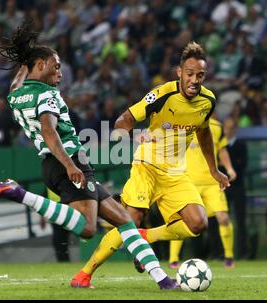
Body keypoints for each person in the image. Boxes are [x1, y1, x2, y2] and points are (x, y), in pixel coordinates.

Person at [0, 21, 176, 290]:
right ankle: (20, 194)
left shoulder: (16, 94)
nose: (60, 73)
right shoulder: (47, 95)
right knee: (88, 229)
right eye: (56, 66)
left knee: (124, 220)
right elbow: (49, 131)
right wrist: (70, 166)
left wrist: (25, 61)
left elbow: (19, 81)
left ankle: (163, 280)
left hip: (52, 164)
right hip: (68, 161)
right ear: (40, 65)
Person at [72, 42, 230, 286]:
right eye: (190, 74)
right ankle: (84, 274)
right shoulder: (162, 94)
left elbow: (204, 132)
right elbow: (123, 121)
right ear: (179, 73)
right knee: (128, 222)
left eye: (200, 75)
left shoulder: (208, 101)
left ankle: (146, 236)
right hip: (146, 166)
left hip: (175, 173)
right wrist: (135, 136)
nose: (194, 80)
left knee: (198, 223)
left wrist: (214, 169)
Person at [168, 116, 237, 269]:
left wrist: (230, 168)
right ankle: (173, 259)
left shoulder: (216, 127)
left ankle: (229, 256)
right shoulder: (182, 123)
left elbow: (222, 150)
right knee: (181, 219)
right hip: (188, 182)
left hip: (212, 183)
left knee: (223, 218)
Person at [224, 117, 248, 259]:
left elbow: (242, 165)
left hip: (238, 187)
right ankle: (219, 252)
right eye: (226, 127)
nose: (228, 130)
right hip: (223, 187)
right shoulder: (219, 145)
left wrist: (228, 169)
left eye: (231, 127)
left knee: (240, 220)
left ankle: (243, 253)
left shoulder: (241, 145)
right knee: (220, 219)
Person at [40, 188, 70, 262]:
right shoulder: (49, 187)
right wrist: (42, 219)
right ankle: (63, 260)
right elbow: (42, 202)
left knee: (60, 241)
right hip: (56, 218)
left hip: (64, 216)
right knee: (60, 241)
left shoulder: (51, 185)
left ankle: (63, 260)